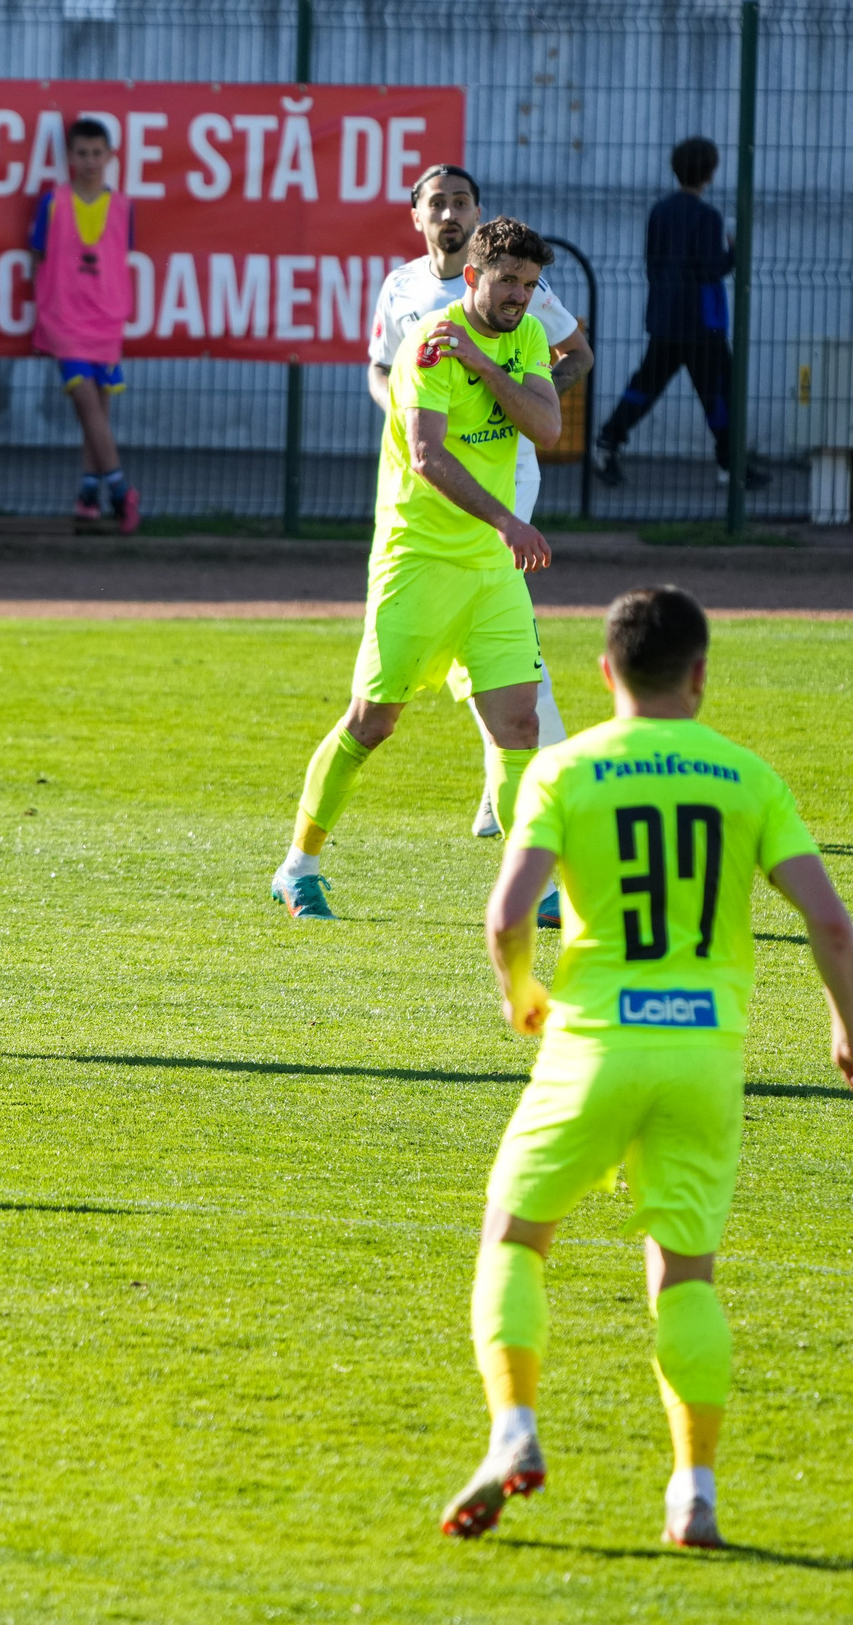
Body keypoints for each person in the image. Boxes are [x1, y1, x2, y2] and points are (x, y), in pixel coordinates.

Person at [440, 585, 853, 1549]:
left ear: (604, 672)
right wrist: (846, 1025)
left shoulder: (565, 768)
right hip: (705, 1059)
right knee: (686, 1278)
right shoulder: (748, 776)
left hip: (592, 1047)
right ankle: (693, 1492)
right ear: (700, 674)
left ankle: (514, 1428)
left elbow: (507, 914)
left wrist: (521, 992)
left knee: (514, 1237)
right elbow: (831, 921)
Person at [270, 218, 561, 922]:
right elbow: (428, 456)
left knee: (520, 726)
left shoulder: (524, 337)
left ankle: (531, 891)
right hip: (419, 562)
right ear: (473, 277)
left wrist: (486, 365)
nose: (519, 296)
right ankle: (297, 866)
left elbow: (547, 427)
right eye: (507, 281)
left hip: (490, 573)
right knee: (373, 722)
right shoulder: (429, 345)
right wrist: (507, 520)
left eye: (529, 284)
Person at [366, 164, 593, 866]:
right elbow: (381, 367)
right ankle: (510, 779)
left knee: (503, 620)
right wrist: (409, 410)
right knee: (483, 632)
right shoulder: (401, 287)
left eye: (462, 202)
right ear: (417, 216)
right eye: (438, 203)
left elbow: (576, 354)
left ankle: (535, 781)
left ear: (477, 212)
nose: (450, 213)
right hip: (428, 476)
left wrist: (523, 396)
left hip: (505, 478)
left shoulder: (515, 286)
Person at [594, 138, 760, 492]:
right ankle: (730, 464)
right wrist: (735, 253)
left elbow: (653, 262)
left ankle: (609, 439)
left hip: (665, 318)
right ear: (710, 173)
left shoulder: (660, 211)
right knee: (720, 391)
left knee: (646, 385)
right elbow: (710, 268)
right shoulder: (708, 216)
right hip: (702, 323)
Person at [31, 118, 140, 532]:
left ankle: (88, 495)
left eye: (97, 153)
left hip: (107, 321)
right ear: (70, 156)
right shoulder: (53, 202)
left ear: (110, 156)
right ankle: (121, 491)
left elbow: (119, 257)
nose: (90, 161)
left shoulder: (123, 206)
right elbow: (38, 256)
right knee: (86, 403)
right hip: (66, 321)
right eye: (82, 153)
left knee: (99, 412)